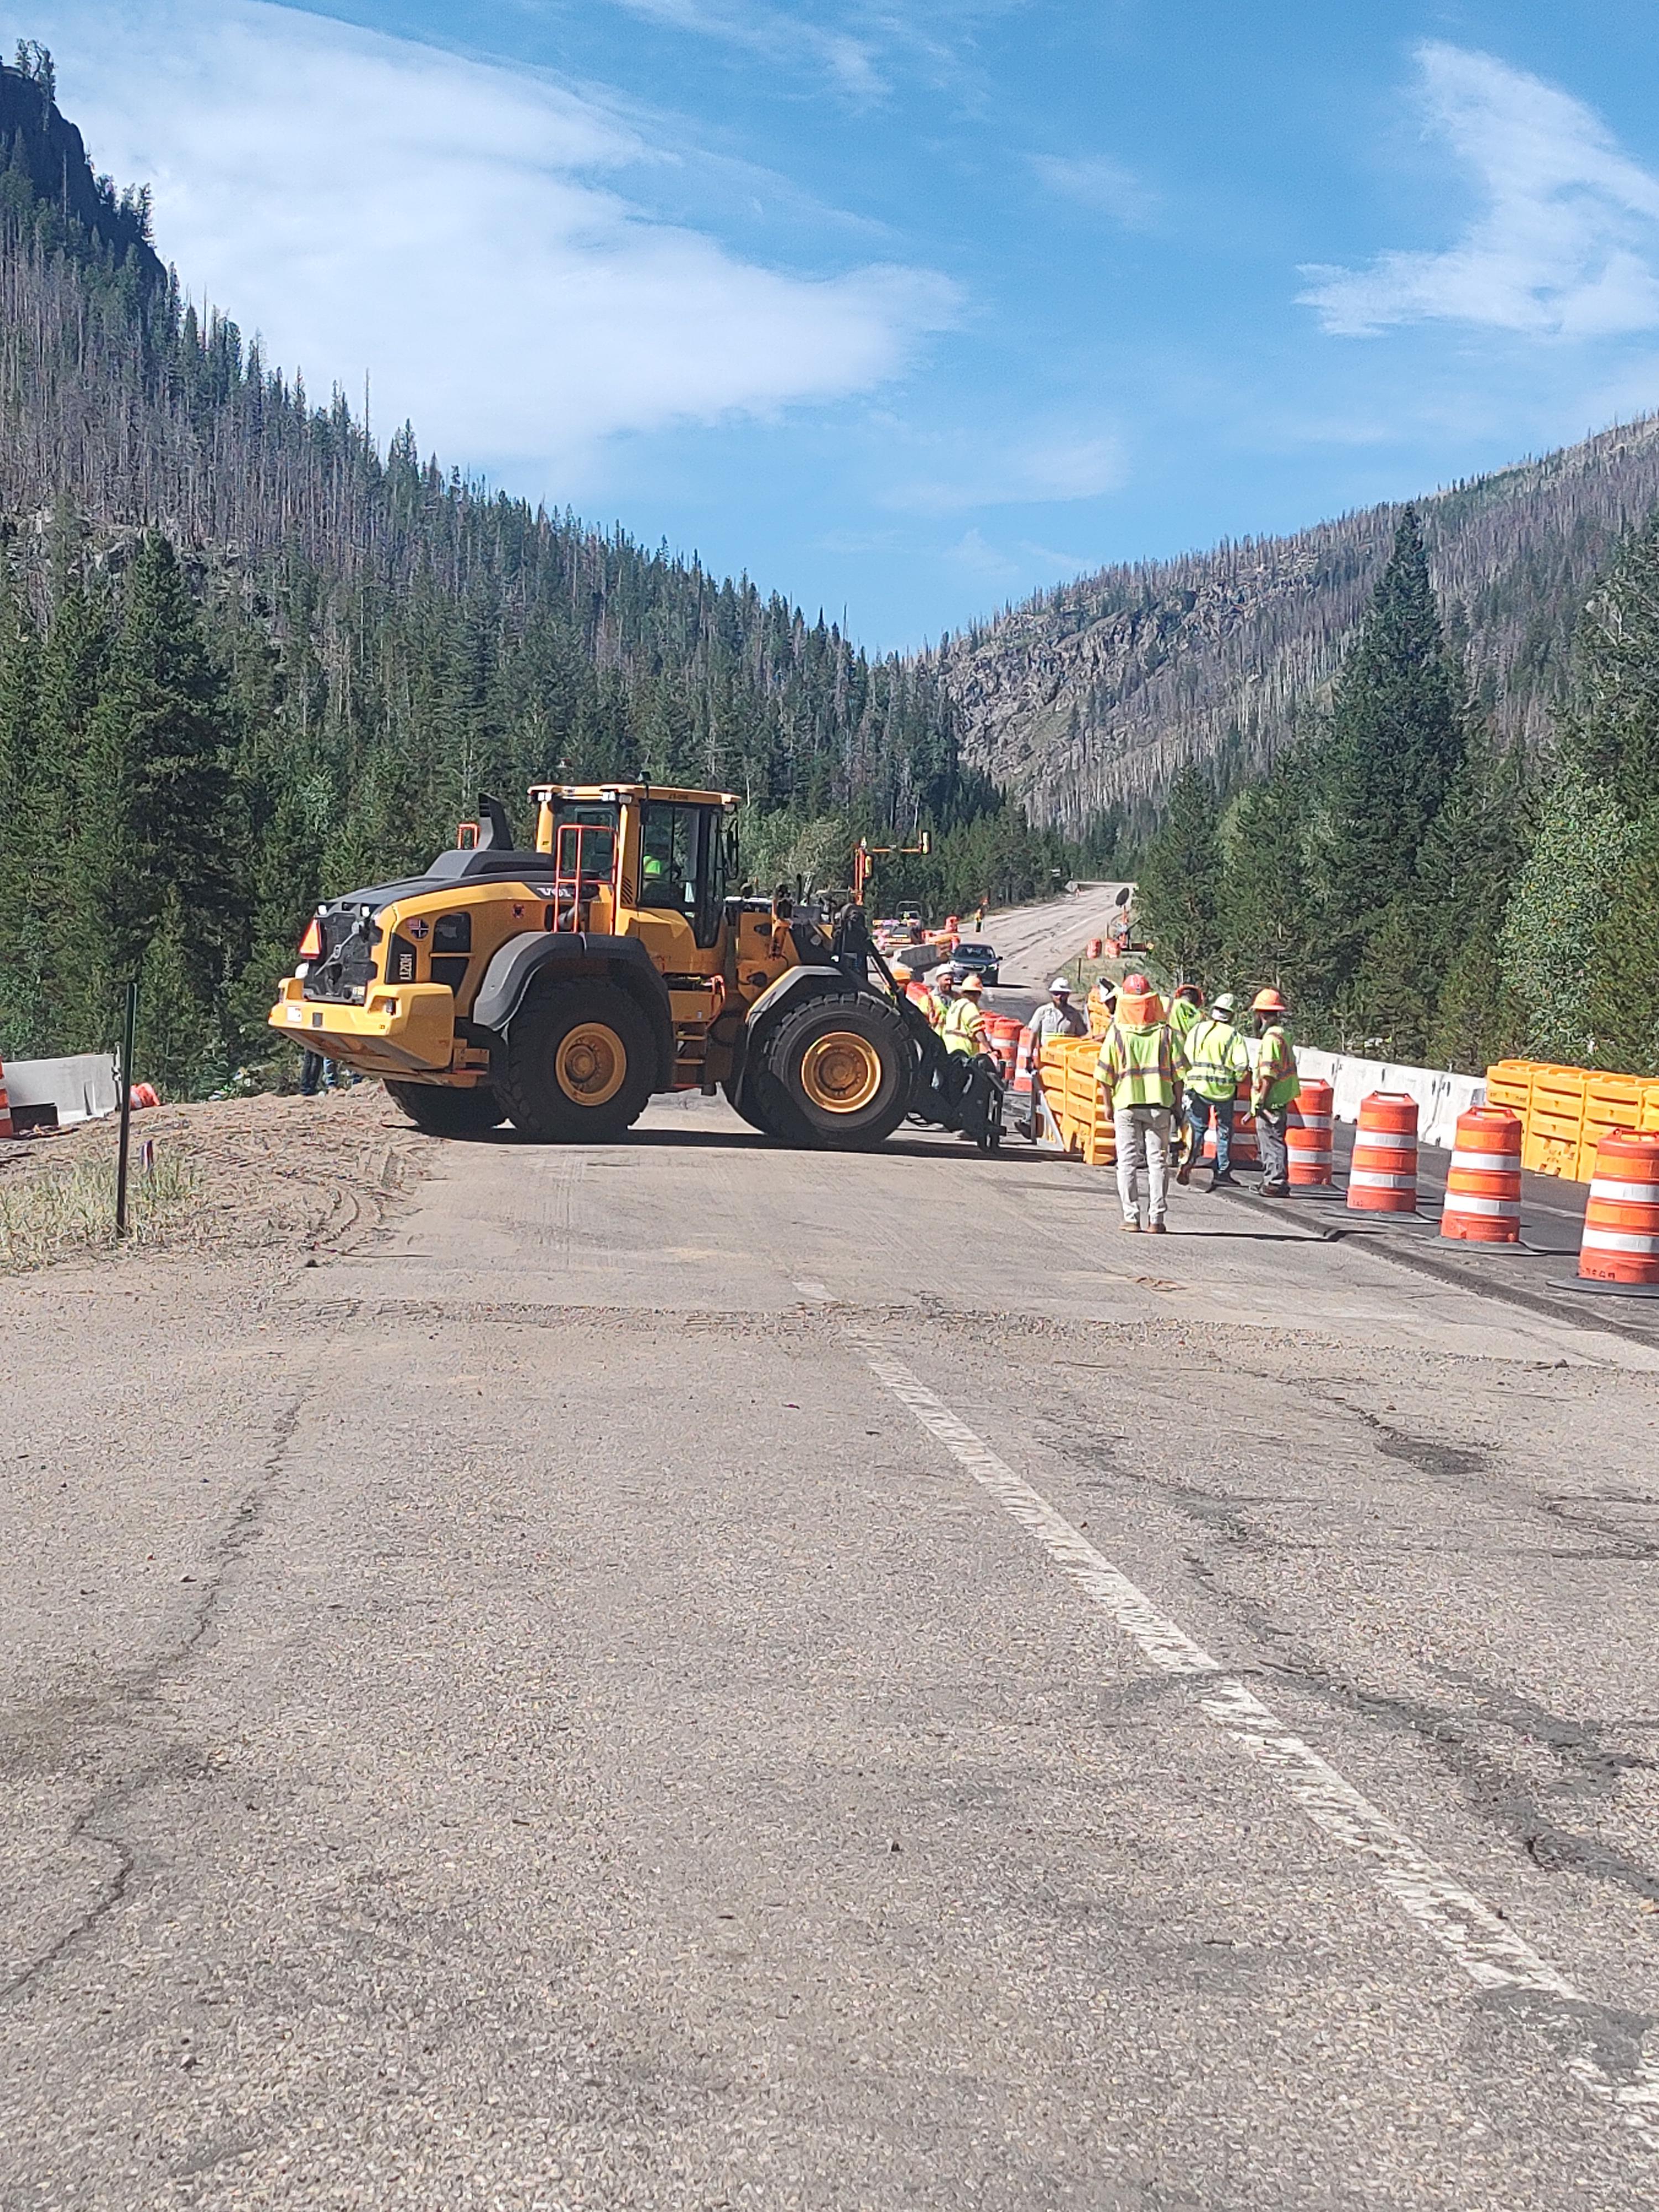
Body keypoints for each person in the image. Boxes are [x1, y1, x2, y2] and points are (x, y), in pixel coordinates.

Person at [1098, 973, 1179, 1234]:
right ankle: (1157, 1220)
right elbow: (1178, 1075)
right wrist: (1177, 1105)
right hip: (1160, 1105)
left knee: (1128, 1162)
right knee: (1158, 1163)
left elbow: (1103, 1074)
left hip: (1126, 1104)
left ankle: (1131, 1218)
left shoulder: (1117, 1033)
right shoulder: (1167, 1034)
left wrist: (1108, 1104)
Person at [1177, 992, 1250, 1189]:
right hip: (1223, 1091)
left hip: (1196, 1087)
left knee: (1197, 1128)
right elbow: (1242, 1065)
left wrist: (1187, 1079)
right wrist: (1236, 1079)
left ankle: (1188, 1161)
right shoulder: (1234, 1037)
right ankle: (1222, 1171)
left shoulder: (1197, 1030)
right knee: (1224, 1129)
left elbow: (1184, 1056)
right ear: (1232, 1015)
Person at [1250, 987, 1298, 1196]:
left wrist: (1262, 1099)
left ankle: (1274, 1182)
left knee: (1271, 1141)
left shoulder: (1270, 1039)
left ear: (1261, 1015)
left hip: (1271, 1100)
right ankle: (1276, 1180)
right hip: (1281, 1098)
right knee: (1277, 1140)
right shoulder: (1284, 1035)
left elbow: (1269, 1074)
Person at [1027, 977, 1087, 1049]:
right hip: (1046, 1055)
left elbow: (1082, 1035)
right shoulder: (1042, 1011)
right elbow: (1033, 1033)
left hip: (1065, 1056)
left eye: (1063, 994)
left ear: (1068, 995)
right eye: (1056, 994)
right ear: (1052, 995)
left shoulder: (1074, 1015)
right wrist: (1029, 1056)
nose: (1059, 997)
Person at [941, 968, 989, 1055]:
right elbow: (978, 1030)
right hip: (963, 1051)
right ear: (978, 994)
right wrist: (988, 1048)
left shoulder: (956, 1005)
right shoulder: (969, 1007)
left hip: (948, 1049)